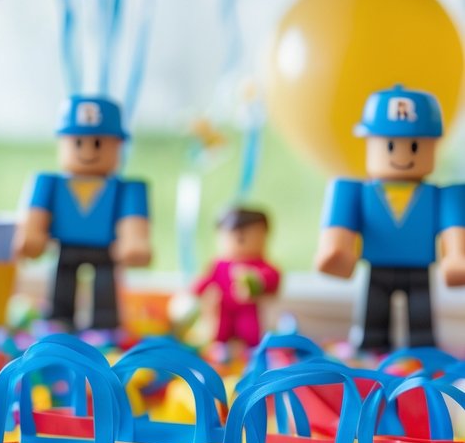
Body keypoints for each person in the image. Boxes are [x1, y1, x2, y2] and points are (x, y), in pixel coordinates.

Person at [316, 85, 465, 350]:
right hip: (377, 270)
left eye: (415, 145)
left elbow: (455, 228)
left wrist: (457, 256)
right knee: (372, 321)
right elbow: (339, 228)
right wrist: (335, 250)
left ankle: (422, 351)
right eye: (391, 145)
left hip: (419, 270)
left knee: (422, 324)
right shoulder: (354, 191)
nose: (402, 155)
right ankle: (371, 346)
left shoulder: (444, 195)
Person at [14, 96, 151, 331]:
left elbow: (133, 220)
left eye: (98, 143)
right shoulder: (48, 182)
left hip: (105, 251)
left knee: (105, 290)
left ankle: (104, 323)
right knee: (62, 285)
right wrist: (31, 236)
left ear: (117, 145)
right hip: (66, 248)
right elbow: (35, 216)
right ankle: (60, 318)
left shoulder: (127, 188)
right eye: (78, 142)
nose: (87, 150)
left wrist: (134, 241)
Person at [191, 207, 280, 348]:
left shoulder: (260, 265)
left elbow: (271, 277)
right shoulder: (219, 265)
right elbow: (205, 280)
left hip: (249, 308)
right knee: (221, 330)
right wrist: (194, 291)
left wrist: (256, 280)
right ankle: (221, 347)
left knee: (250, 330)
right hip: (223, 307)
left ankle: (250, 349)